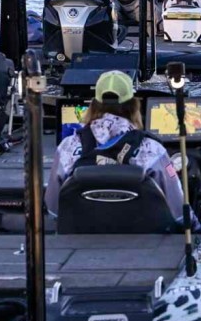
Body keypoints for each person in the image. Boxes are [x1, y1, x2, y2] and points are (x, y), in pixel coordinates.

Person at [45, 70, 189, 225]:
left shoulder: (67, 147)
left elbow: (53, 210)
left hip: (80, 236)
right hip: (141, 237)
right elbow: (179, 214)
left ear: (93, 105)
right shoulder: (153, 150)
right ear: (134, 106)